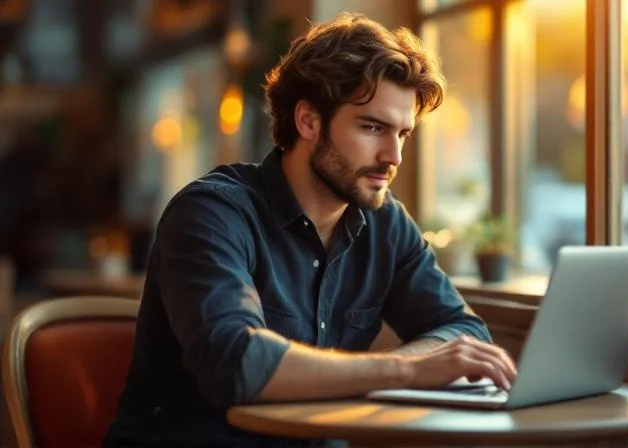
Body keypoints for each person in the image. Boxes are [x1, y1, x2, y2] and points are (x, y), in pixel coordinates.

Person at [104, 12, 516, 447]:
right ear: (308, 121)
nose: (393, 156)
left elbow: (465, 331)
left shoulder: (385, 222)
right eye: (372, 127)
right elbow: (235, 361)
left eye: (404, 134)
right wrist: (408, 370)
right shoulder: (210, 213)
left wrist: (418, 364)